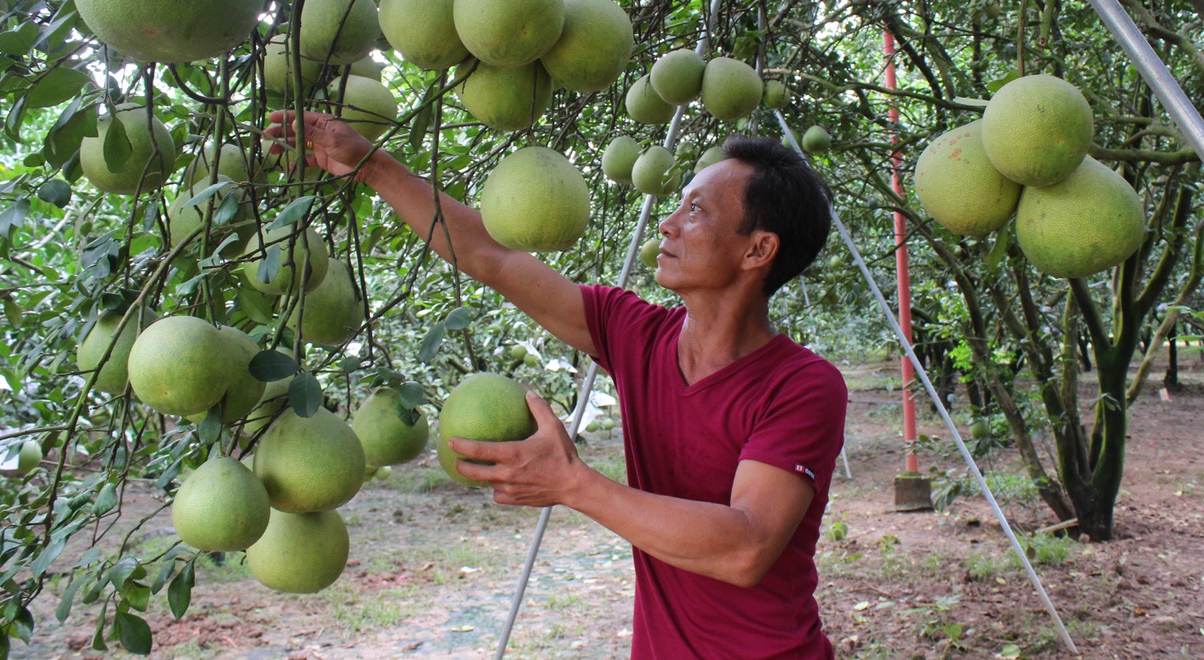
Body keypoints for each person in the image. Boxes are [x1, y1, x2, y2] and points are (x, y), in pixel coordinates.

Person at [266, 110, 848, 658]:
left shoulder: (802, 386)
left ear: (758, 249)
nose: (668, 225)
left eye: (696, 211)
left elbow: (746, 547)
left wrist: (572, 484)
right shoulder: (635, 334)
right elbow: (488, 255)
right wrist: (370, 162)